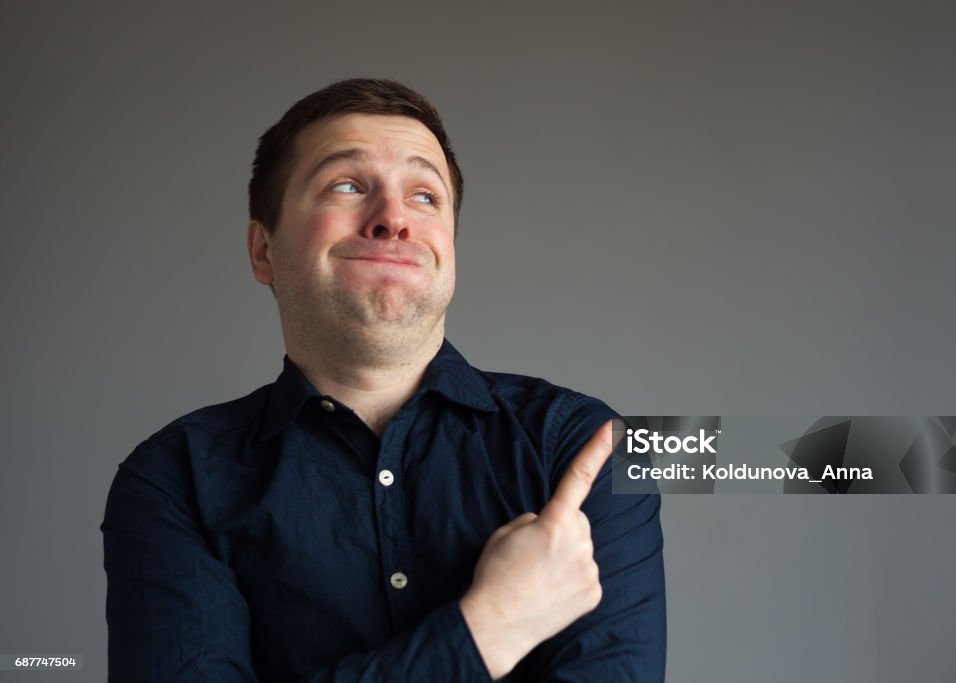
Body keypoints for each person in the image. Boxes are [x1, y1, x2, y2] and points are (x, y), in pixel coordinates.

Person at [102, 78, 666, 682]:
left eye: (425, 196)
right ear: (263, 249)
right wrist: (493, 625)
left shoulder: (588, 445)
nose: (393, 218)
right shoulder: (172, 481)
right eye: (347, 186)